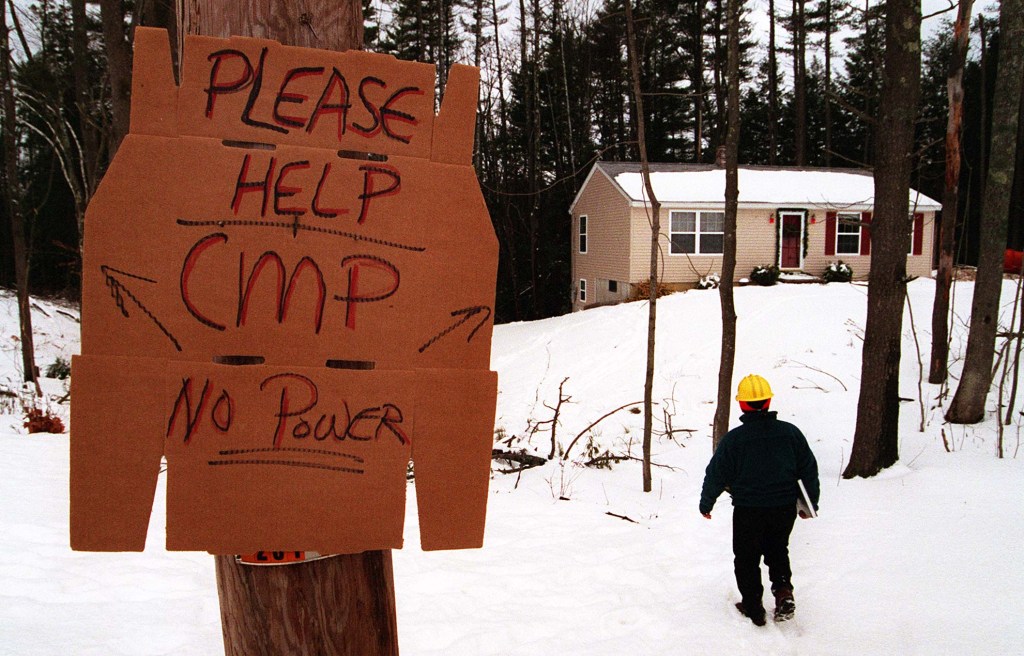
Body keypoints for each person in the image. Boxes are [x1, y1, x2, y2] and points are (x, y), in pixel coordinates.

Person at [699, 374, 820, 626]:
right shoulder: (790, 433)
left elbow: (716, 473)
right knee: (778, 549)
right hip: (783, 508)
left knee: (746, 557)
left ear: (742, 404)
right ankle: (783, 591)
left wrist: (706, 503)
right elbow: (808, 469)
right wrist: (810, 504)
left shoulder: (734, 440)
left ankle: (754, 607)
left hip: (748, 510)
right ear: (768, 401)